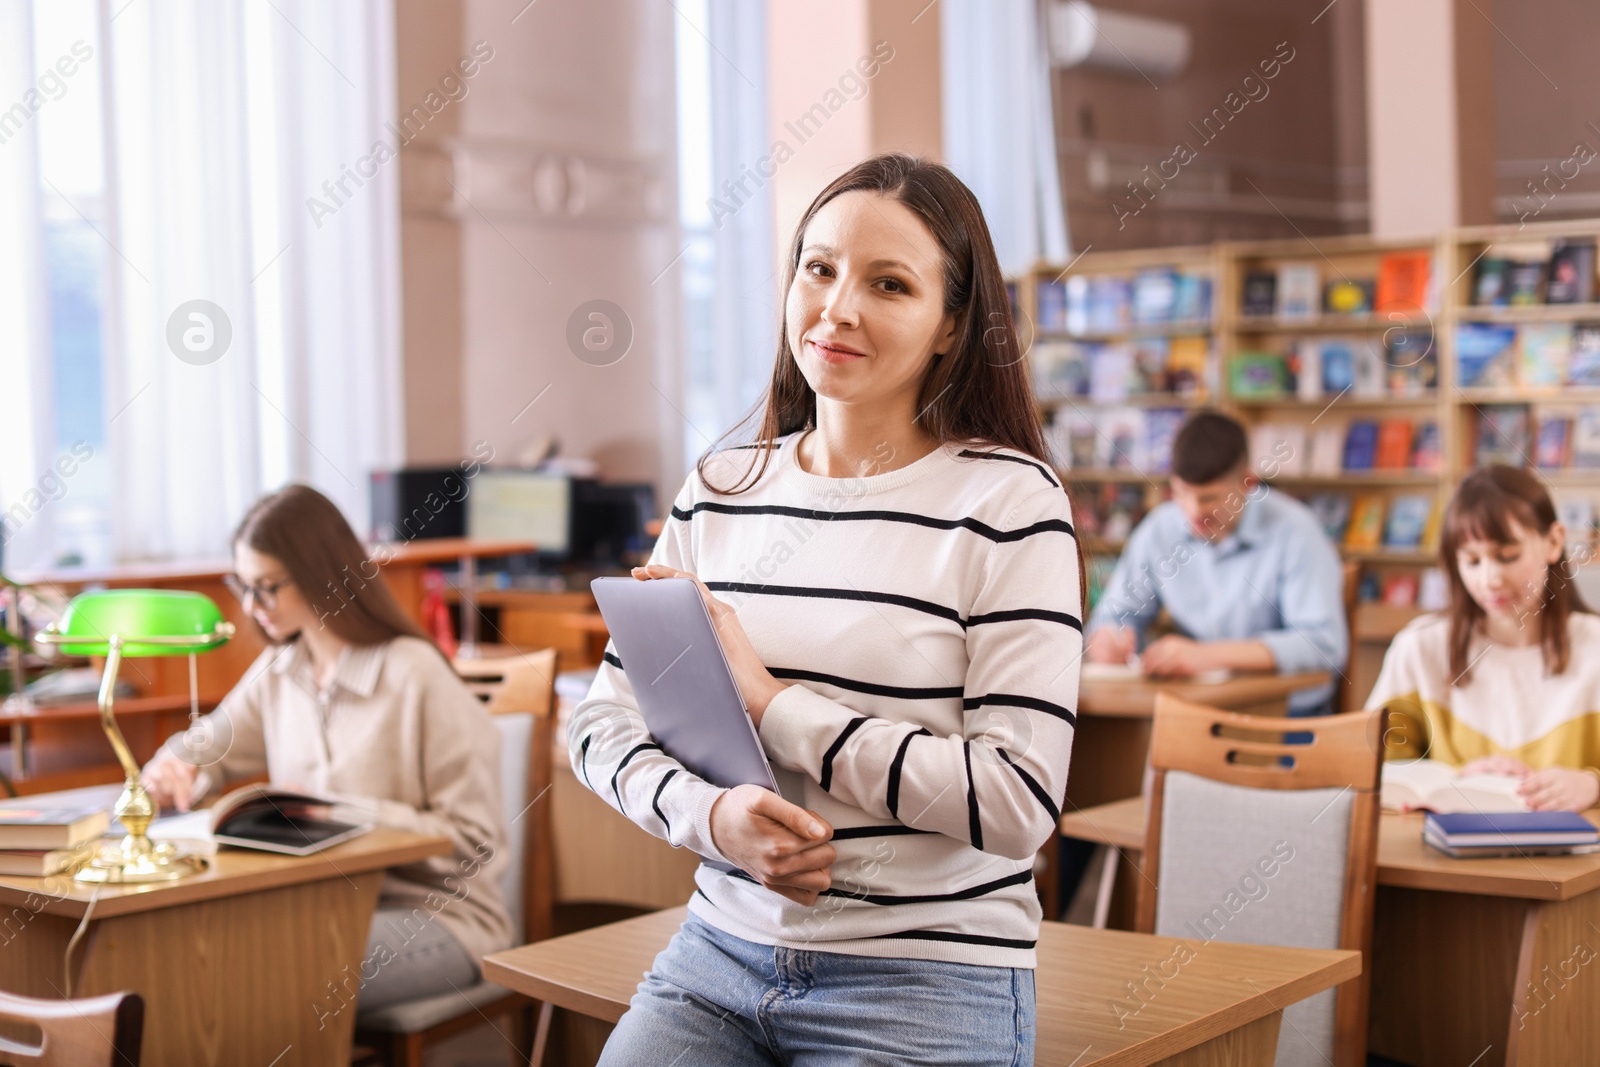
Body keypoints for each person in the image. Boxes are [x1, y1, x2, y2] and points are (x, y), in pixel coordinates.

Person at [571, 154, 1080, 1066]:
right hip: (718, 955)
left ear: (952, 325)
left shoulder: (1010, 504)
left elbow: (1020, 801)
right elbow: (602, 723)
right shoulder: (720, 489)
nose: (838, 306)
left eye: (889, 283)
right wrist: (713, 819)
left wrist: (776, 707)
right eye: (819, 267)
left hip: (926, 976)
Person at [140, 484, 512, 1013]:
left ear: (320, 574)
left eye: (267, 587)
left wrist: (339, 813)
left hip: (440, 917)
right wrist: (170, 767)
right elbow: (202, 748)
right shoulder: (279, 671)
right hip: (323, 905)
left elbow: (476, 841)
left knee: (265, 974)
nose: (251, 607)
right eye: (242, 586)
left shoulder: (415, 674)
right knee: (197, 956)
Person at [1367, 465, 1600, 811]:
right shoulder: (1421, 646)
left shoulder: (1593, 646)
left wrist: (1592, 783)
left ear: (1553, 542)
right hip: (1446, 854)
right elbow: (1371, 762)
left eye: (1508, 557)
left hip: (1572, 858)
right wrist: (1453, 779)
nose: (1490, 579)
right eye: (1472, 561)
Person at [1084, 410, 1346, 715]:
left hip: (1286, 716)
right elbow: (1111, 617)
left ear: (1248, 483)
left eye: (1210, 498)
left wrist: (1208, 656)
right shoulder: (1160, 529)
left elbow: (1324, 645)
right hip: (1196, 711)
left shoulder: (1296, 532)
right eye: (1181, 493)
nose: (1193, 512)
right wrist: (1110, 639)